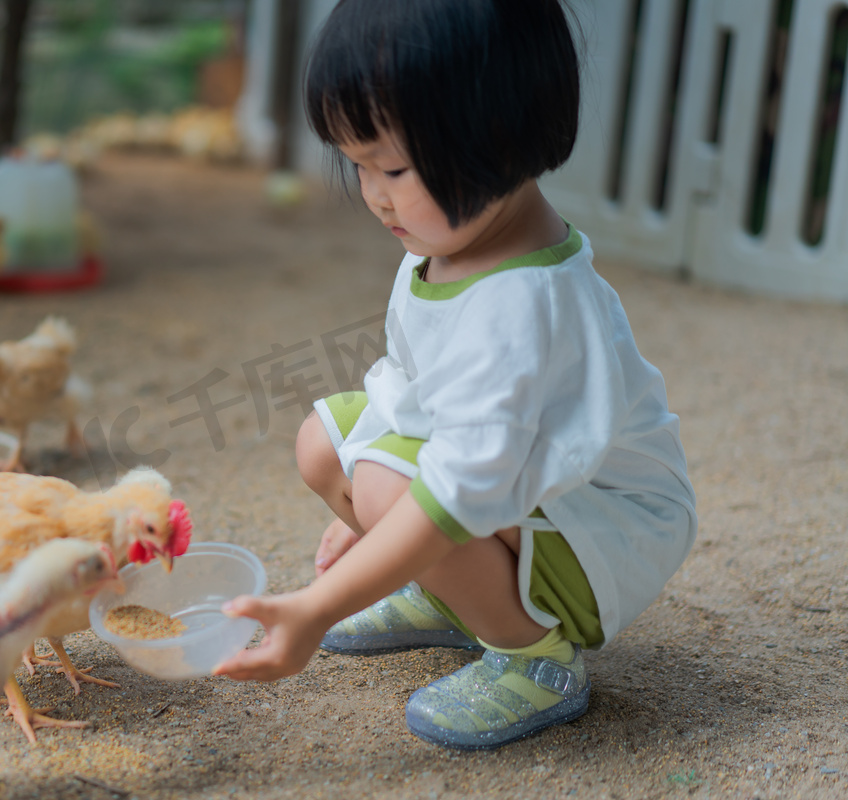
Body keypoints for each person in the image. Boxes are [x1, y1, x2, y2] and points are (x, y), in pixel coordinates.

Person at [214, 0, 697, 751]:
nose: (373, 193)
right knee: (326, 444)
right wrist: (375, 524)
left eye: (394, 167)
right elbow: (410, 394)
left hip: (603, 524)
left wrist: (320, 605)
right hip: (529, 490)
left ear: (496, 138)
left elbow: (460, 488)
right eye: (358, 164)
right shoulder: (451, 249)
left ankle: (538, 659)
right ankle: (453, 597)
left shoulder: (521, 306)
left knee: (383, 483)